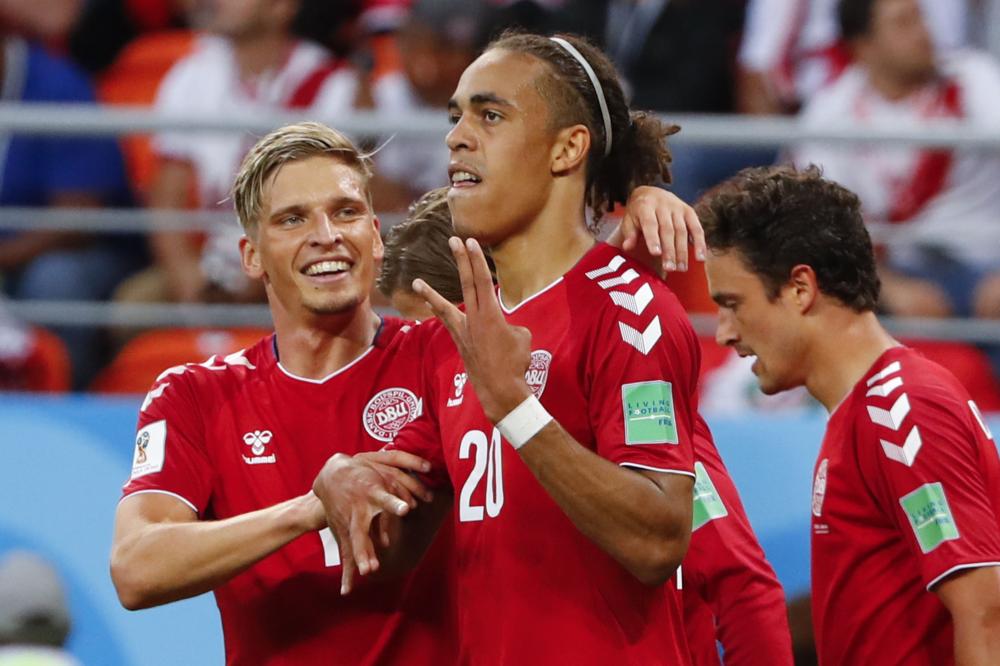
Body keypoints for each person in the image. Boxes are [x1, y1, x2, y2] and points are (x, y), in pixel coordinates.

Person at [110, 120, 708, 663]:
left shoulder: (445, 354)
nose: (325, 236)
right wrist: (311, 509)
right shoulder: (193, 394)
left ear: (375, 236)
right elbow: (137, 570)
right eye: (293, 219)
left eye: (345, 212)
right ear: (251, 257)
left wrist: (636, 202)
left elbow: (562, 297)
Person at [314, 31, 715, 664]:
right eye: (456, 116)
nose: (456, 136)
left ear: (567, 149)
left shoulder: (631, 310)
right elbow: (392, 553)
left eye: (490, 114)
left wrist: (517, 408)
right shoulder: (468, 331)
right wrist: (347, 485)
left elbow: (659, 539)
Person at [379, 187, 794, 665]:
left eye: (439, 328)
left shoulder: (632, 400)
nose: (432, 352)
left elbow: (741, 583)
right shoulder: (443, 416)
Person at [698, 164, 1000, 665]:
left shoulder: (902, 411)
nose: (725, 333)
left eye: (733, 304)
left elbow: (985, 612)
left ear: (800, 288)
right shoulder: (869, 410)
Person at [792, 0, 1000, 320]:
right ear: (863, 47)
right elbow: (823, 227)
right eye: (904, 23)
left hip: (987, 262)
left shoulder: (976, 78)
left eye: (921, 17)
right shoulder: (830, 113)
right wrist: (887, 288)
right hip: (892, 272)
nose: (923, 32)